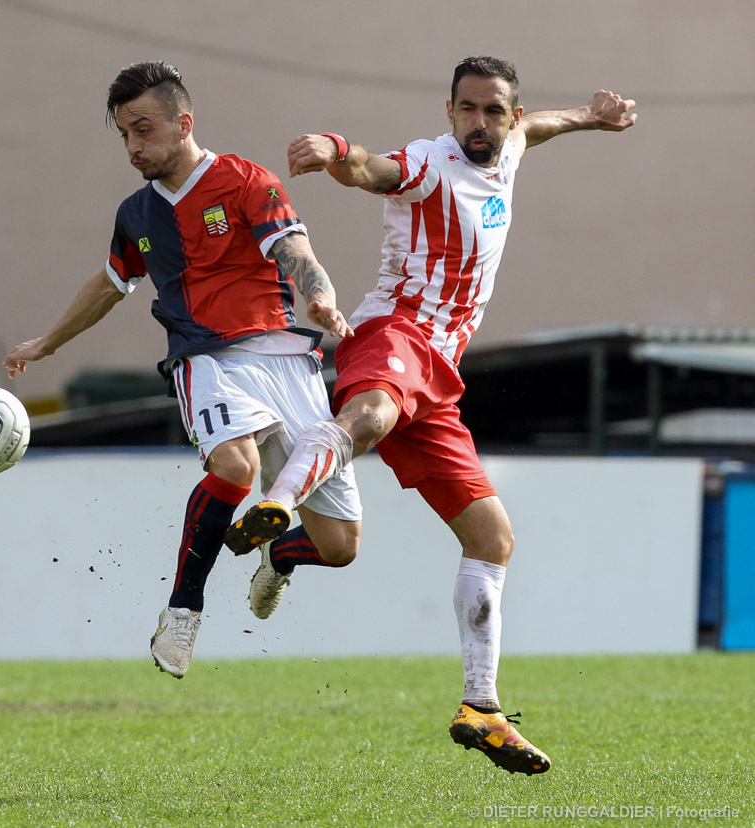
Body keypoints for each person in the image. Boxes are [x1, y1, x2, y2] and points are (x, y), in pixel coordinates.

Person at [226, 56, 637, 775]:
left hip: (440, 374)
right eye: (468, 109)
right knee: (373, 415)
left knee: (492, 538)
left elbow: (541, 127)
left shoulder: (509, 147)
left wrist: (590, 118)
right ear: (449, 112)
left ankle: (481, 707)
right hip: (392, 333)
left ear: (507, 115)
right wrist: (333, 150)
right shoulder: (432, 162)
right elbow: (374, 170)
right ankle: (278, 502)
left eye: (494, 111)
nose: (481, 123)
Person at [2, 60, 363, 680]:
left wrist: (321, 295)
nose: (132, 146)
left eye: (142, 129)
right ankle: (183, 611)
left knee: (340, 548)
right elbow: (113, 281)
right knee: (235, 465)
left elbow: (295, 249)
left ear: (183, 122)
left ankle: (279, 556)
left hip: (288, 360)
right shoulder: (136, 214)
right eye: (123, 134)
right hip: (206, 359)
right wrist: (49, 342)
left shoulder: (247, 180)